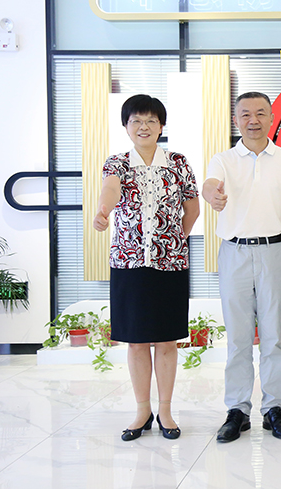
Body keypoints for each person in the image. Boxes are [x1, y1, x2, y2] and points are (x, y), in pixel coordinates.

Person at [93, 94, 200, 442]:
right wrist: (103, 211)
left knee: (167, 340)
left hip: (170, 263)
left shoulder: (178, 162)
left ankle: (165, 410)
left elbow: (193, 208)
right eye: (136, 120)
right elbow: (110, 190)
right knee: (137, 342)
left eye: (151, 120)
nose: (144, 126)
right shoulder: (117, 163)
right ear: (126, 126)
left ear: (161, 126)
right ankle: (142, 410)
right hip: (129, 263)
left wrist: (174, 239)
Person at [202, 91, 281, 442]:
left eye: (260, 113)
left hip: (275, 251)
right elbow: (209, 185)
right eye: (245, 114)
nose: (253, 120)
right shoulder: (223, 159)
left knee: (274, 336)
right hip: (234, 252)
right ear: (236, 120)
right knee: (238, 336)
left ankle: (274, 408)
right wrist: (212, 195)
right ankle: (237, 409)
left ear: (272, 118)